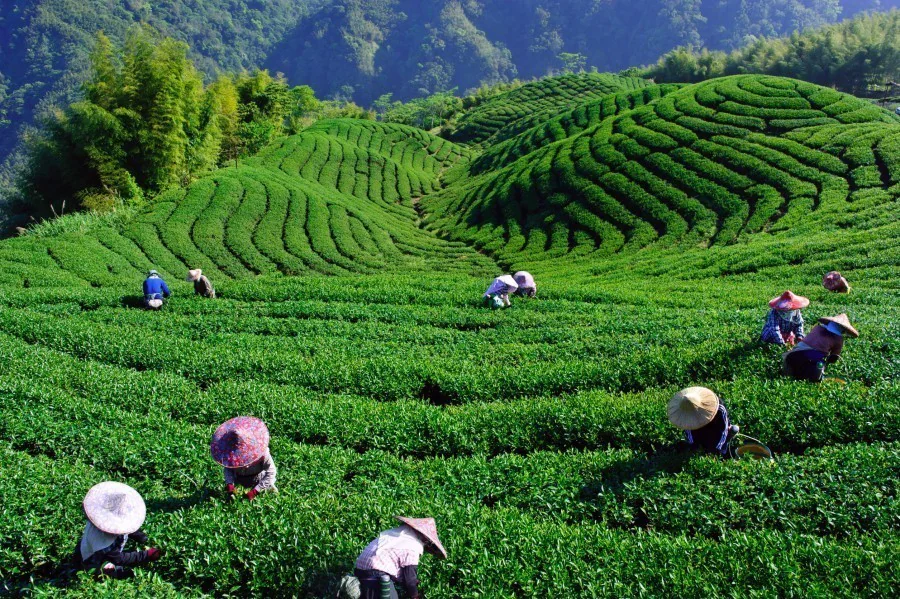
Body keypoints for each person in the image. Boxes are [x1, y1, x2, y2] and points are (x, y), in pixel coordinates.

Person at [72, 482, 161, 579]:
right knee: (110, 573)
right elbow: (119, 559)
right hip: (93, 559)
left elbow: (125, 526)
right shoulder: (103, 541)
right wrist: (147, 555)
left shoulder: (101, 517)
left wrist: (140, 536)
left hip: (92, 549)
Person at [355, 516, 447, 599]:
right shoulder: (412, 545)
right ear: (425, 538)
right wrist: (415, 595)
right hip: (377, 577)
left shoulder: (392, 534)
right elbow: (410, 580)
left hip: (360, 573)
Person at [210, 416, 277, 501]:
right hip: (239, 479)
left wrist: (256, 491)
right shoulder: (229, 453)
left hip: (259, 479)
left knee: (271, 496)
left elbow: (271, 473)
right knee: (230, 499)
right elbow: (228, 469)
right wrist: (230, 484)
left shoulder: (262, 453)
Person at [783, 314, 858, 382]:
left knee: (792, 366)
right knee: (817, 367)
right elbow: (834, 358)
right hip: (812, 358)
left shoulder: (818, 328)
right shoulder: (839, 339)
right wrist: (826, 364)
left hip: (794, 354)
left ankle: (790, 375)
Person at [668, 387, 738, 458]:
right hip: (699, 430)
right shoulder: (686, 418)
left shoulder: (719, 408)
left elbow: (723, 429)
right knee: (700, 446)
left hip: (716, 428)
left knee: (733, 430)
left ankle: (723, 452)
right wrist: (695, 448)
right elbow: (690, 435)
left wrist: (718, 447)